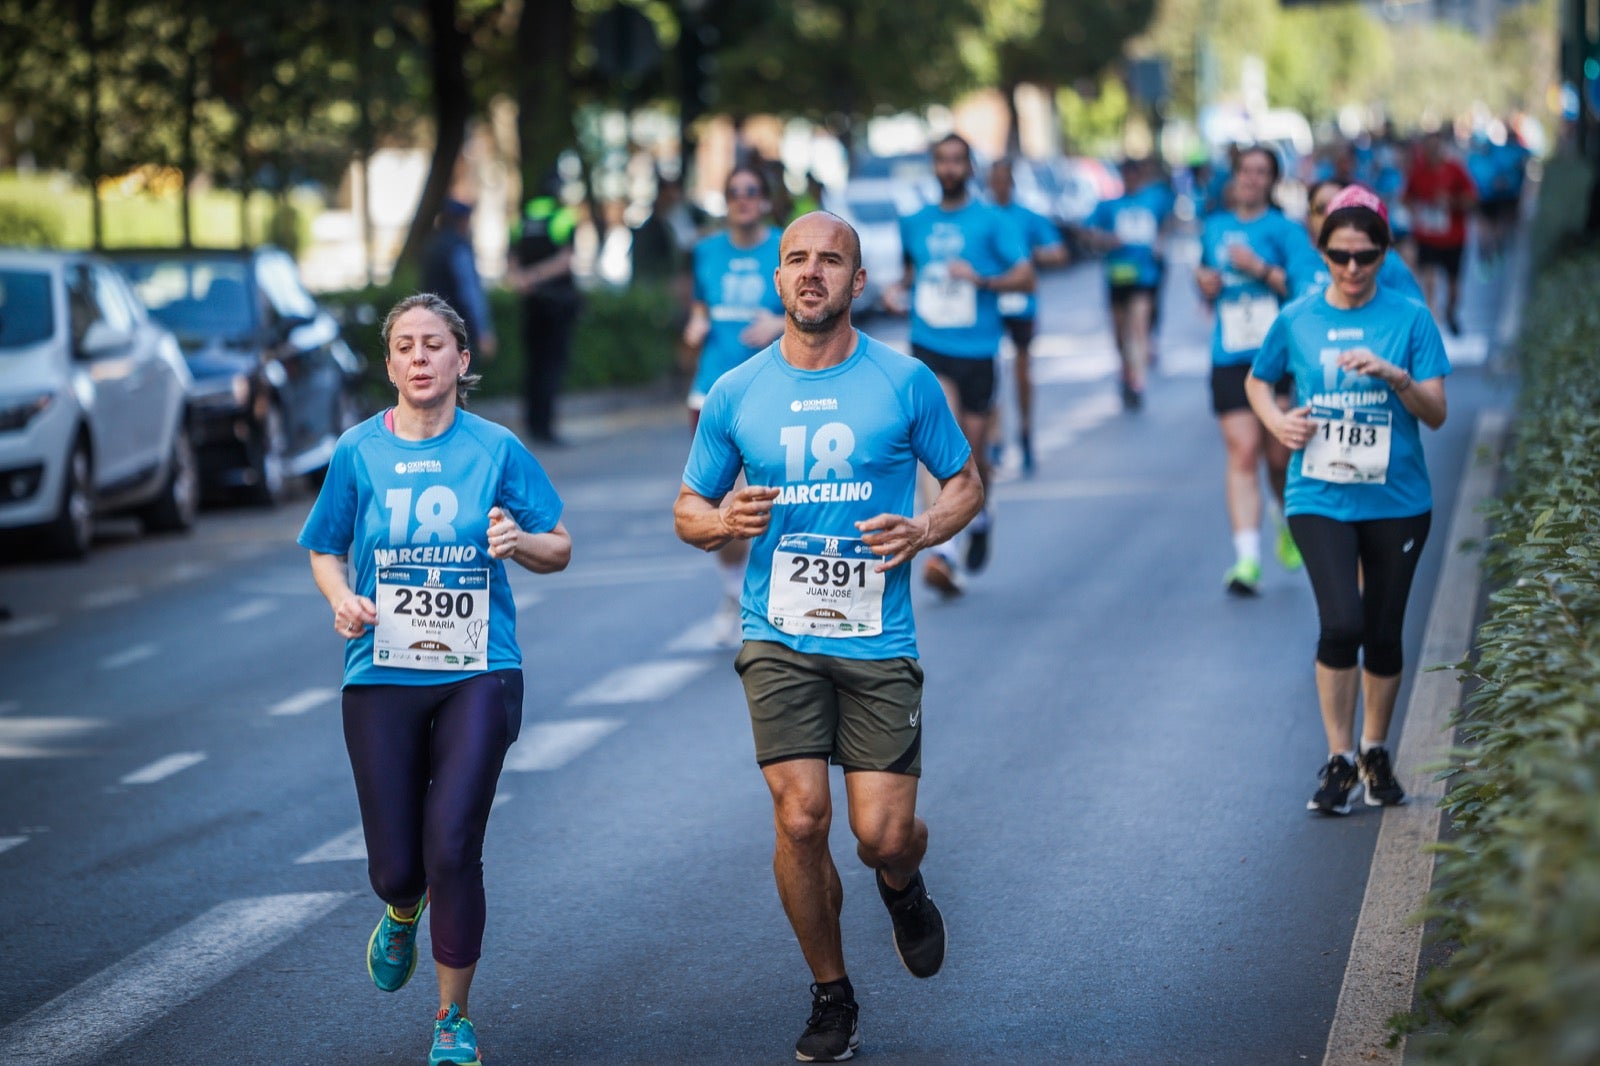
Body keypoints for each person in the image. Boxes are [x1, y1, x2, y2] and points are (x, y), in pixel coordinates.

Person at [673, 211, 983, 1063]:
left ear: (859, 282)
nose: (812, 273)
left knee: (880, 833)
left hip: (876, 638)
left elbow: (965, 480)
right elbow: (688, 507)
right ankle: (831, 992)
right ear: (777, 280)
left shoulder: (904, 380)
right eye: (796, 260)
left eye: (831, 260)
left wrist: (925, 530)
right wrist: (718, 520)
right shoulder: (737, 390)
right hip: (778, 633)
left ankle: (903, 883)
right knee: (802, 817)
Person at [299, 293, 572, 1065]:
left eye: (434, 345)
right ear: (390, 365)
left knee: (452, 843)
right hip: (380, 670)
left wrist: (519, 541)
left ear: (462, 361)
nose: (420, 358)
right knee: (398, 865)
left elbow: (561, 545)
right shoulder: (357, 450)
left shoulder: (497, 448)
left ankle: (452, 1019)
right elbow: (324, 547)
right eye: (405, 347)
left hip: (479, 670)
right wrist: (342, 597)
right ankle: (400, 907)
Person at [1246, 184, 1450, 815]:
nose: (1353, 268)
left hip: (1398, 499)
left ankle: (1374, 750)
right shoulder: (1298, 318)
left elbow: (1437, 413)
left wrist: (1396, 377)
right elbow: (1259, 380)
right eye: (1340, 256)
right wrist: (1278, 422)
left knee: (1384, 634)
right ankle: (1338, 760)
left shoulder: (1410, 318)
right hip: (1319, 495)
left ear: (1385, 253)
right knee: (1342, 624)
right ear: (1323, 251)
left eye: (1366, 255)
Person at [885, 133, 1032, 594]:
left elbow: (1027, 277)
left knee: (972, 456)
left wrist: (982, 280)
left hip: (979, 350)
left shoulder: (991, 220)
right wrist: (897, 289)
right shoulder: (913, 222)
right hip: (930, 345)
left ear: (970, 168)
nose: (949, 168)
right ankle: (943, 551)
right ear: (933, 167)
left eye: (957, 161)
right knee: (935, 443)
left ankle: (981, 513)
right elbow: (913, 270)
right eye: (942, 161)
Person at [1195, 145, 1309, 595]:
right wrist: (1205, 283)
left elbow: (1304, 287)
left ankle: (1283, 518)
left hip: (1276, 357)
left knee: (1278, 457)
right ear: (1235, 176)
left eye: (1262, 172)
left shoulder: (1286, 230)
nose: (1252, 179)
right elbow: (1206, 281)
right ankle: (1246, 560)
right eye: (1245, 171)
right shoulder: (1215, 228)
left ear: (1272, 180)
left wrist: (1259, 268)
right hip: (1229, 356)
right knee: (1242, 452)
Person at [681, 165, 787, 644]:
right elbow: (701, 305)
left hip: (772, 391)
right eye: (734, 193)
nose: (743, 200)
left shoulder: (786, 245)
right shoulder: (705, 251)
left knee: (775, 503)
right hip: (711, 391)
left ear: (765, 200)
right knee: (726, 504)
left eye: (752, 192)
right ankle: (734, 592)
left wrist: (780, 325)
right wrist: (695, 325)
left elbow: (813, 309)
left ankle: (771, 595)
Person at [986, 157, 1067, 469]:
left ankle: (1025, 431)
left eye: (1005, 179)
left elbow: (1058, 252)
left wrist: (1027, 257)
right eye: (995, 180)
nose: (1000, 185)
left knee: (1022, 370)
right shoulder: (982, 216)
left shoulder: (1027, 217)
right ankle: (994, 436)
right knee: (990, 368)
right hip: (991, 301)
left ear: (1013, 183)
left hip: (1022, 302)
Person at [1083, 157, 1172, 411]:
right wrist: (1106, 239)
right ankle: (1125, 370)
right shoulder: (1108, 206)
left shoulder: (1154, 198)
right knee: (1120, 333)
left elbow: (1167, 222)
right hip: (1118, 275)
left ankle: (1136, 381)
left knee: (1139, 327)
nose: (1131, 179)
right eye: (1127, 174)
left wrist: (1160, 242)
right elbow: (1087, 232)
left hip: (1145, 276)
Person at [509, 175, 581, 444]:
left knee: (532, 366)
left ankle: (531, 425)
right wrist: (538, 276)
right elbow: (565, 259)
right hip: (557, 303)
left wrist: (523, 279)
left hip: (530, 303)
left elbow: (512, 261)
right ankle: (547, 428)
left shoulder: (522, 219)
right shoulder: (562, 217)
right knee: (552, 366)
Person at [1288, 179, 1424, 302]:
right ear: (1309, 217)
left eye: (1339, 205)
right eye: (1320, 208)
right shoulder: (1300, 262)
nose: (1329, 214)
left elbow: (1415, 315)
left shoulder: (1386, 260)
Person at [1402, 130, 1476, 335]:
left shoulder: (1455, 170)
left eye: (1435, 147)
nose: (1431, 152)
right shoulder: (1417, 172)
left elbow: (1472, 199)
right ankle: (1432, 321)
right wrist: (1416, 209)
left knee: (1453, 284)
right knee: (1429, 278)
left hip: (1454, 237)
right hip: (1427, 236)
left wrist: (1451, 202)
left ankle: (1451, 312)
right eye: (1427, 148)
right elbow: (1406, 199)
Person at [421, 199, 498, 359]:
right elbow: (470, 293)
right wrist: (483, 330)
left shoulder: (432, 245)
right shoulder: (458, 248)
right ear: (462, 220)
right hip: (458, 325)